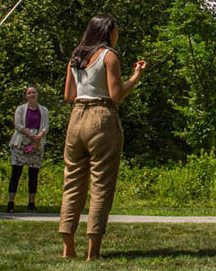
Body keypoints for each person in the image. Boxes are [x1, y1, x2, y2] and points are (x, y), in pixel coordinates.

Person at [59, 15, 146, 260]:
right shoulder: (109, 55)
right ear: (107, 32)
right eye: (116, 30)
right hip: (101, 116)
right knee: (101, 185)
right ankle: (92, 251)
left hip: (76, 118)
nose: (117, 35)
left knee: (72, 183)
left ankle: (68, 248)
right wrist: (135, 77)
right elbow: (116, 94)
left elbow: (68, 95)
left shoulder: (76, 57)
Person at [7, 85, 49, 213]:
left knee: (33, 173)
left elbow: (45, 127)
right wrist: (30, 135)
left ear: (37, 94)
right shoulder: (20, 109)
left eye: (34, 92)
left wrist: (38, 138)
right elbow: (18, 125)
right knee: (16, 172)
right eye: (29, 93)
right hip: (21, 141)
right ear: (26, 96)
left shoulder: (44, 110)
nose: (32, 95)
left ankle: (31, 202)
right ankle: (11, 202)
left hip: (36, 143)